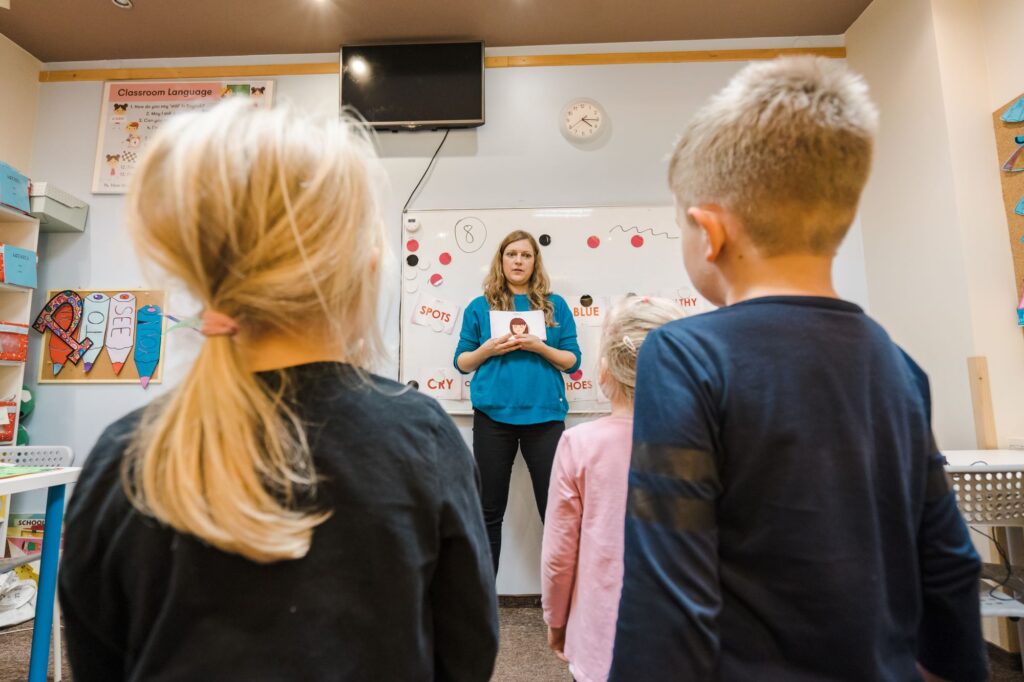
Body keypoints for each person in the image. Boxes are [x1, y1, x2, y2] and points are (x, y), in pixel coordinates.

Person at [58, 101, 499, 681]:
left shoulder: (125, 456)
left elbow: (100, 659)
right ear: (365, 270)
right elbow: (467, 652)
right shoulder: (422, 437)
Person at [610, 57, 987, 681]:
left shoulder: (683, 356)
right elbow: (949, 563)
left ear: (708, 232)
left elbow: (667, 593)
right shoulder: (898, 366)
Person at [541, 296, 684, 682]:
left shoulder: (579, 444)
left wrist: (556, 619)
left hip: (602, 642)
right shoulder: (707, 443)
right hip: (688, 642)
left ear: (604, 371)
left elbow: (559, 554)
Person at [454, 230, 582, 575]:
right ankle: (481, 603)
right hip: (493, 418)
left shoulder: (555, 306)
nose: (518, 261)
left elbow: (573, 360)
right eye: (512, 254)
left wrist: (540, 347)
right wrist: (488, 349)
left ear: (535, 263)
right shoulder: (480, 306)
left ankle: (565, 601)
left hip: (545, 418)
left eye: (526, 255)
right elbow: (462, 362)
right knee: (487, 511)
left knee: (555, 511)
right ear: (501, 260)